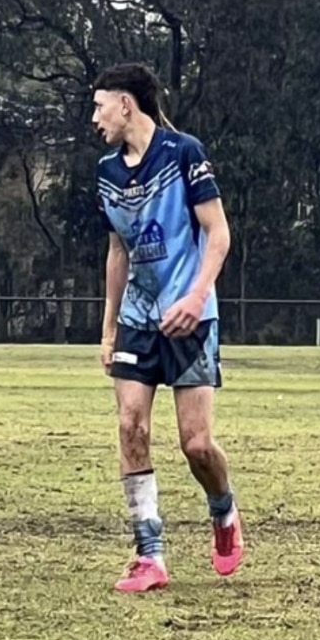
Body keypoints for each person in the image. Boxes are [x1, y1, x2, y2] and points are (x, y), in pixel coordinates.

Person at [93, 62, 242, 592]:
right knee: (131, 427)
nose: (96, 117)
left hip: (190, 319)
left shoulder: (184, 154)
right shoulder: (107, 172)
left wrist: (197, 298)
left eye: (99, 104)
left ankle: (223, 512)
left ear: (126, 104)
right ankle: (149, 554)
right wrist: (109, 331)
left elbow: (218, 234)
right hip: (138, 320)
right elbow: (116, 252)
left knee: (196, 445)